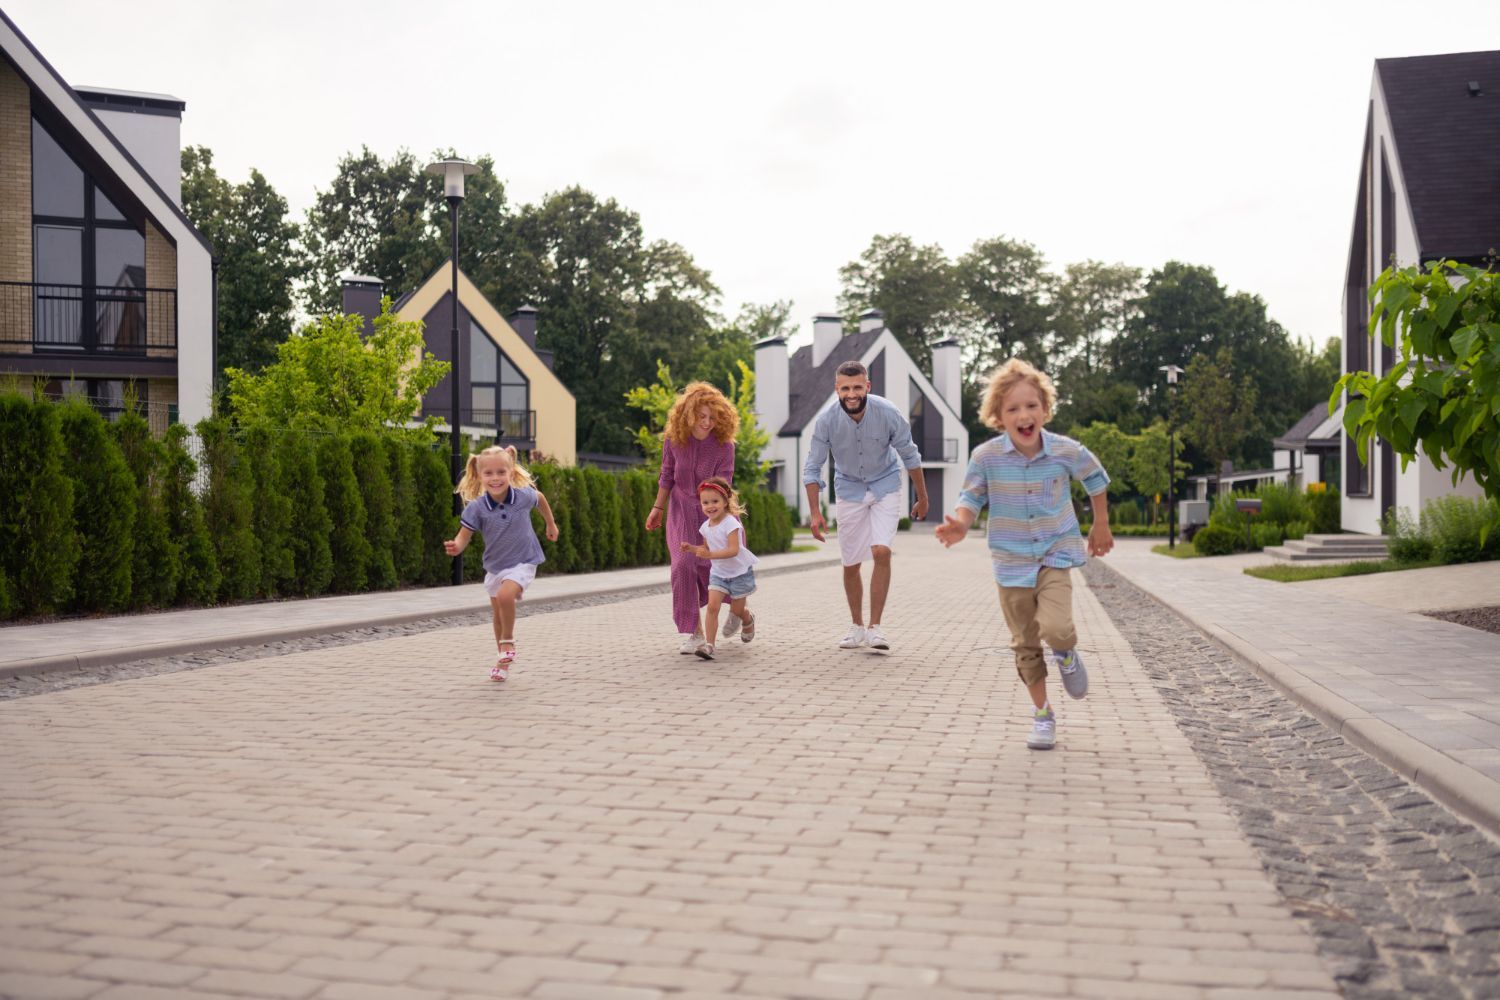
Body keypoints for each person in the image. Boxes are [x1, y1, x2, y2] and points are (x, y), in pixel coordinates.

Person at [934, 358, 1113, 751]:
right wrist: (961, 525)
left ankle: (1066, 654)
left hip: (1055, 554)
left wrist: (1101, 524)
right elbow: (971, 497)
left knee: (1056, 629)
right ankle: (1043, 716)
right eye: (1013, 408)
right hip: (1011, 562)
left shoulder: (1066, 451)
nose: (1024, 415)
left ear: (1045, 409)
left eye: (1031, 405)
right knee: (1026, 644)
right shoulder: (986, 457)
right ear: (998, 416)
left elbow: (1096, 480)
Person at [803, 360, 928, 651]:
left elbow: (910, 455)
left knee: (881, 550)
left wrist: (922, 497)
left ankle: (875, 628)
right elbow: (812, 467)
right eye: (845, 388)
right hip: (848, 490)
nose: (851, 393)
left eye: (857, 387)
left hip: (885, 485)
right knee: (851, 564)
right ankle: (856, 627)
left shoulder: (888, 413)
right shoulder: (826, 421)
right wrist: (815, 512)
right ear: (837, 389)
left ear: (867, 387)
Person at [444, 445, 559, 682]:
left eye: (500, 472)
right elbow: (464, 536)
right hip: (495, 566)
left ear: (510, 472)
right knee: (497, 614)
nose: (495, 478)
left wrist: (551, 524)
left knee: (506, 597)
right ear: (479, 475)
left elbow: (540, 498)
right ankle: (502, 661)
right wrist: (457, 546)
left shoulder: (522, 496)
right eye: (489, 473)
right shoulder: (477, 508)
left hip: (524, 560)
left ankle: (508, 641)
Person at [645, 382, 738, 654]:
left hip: (715, 512)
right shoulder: (674, 440)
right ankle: (695, 632)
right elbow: (667, 475)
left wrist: (718, 518)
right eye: (702, 417)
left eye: (713, 417)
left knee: (718, 569)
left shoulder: (724, 446)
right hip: (681, 511)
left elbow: (724, 484)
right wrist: (657, 508)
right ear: (688, 415)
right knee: (683, 565)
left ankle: (741, 611)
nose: (707, 423)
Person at [678, 476, 758, 660]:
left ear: (724, 501)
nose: (710, 506)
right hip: (719, 574)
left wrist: (709, 555)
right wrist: (691, 548)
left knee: (737, 612)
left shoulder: (731, 523)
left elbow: (733, 550)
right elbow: (706, 548)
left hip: (739, 574)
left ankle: (748, 619)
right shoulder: (705, 526)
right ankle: (709, 646)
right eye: (705, 502)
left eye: (715, 501)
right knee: (712, 607)